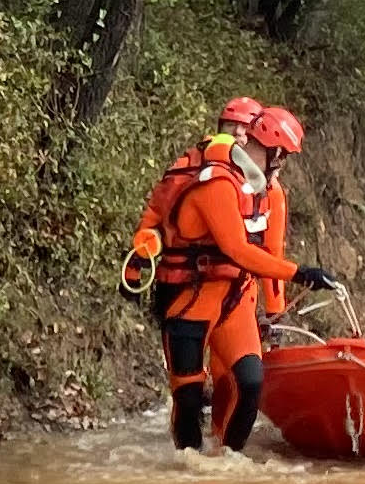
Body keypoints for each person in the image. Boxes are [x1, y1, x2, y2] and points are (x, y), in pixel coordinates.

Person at [126, 98, 332, 453]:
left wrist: (275, 311)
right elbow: (237, 249)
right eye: (281, 157)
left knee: (249, 383)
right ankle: (187, 468)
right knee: (189, 397)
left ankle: (225, 461)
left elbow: (269, 251)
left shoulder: (267, 191)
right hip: (189, 301)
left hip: (235, 300)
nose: (281, 167)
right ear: (269, 149)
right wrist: (300, 274)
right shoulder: (216, 184)